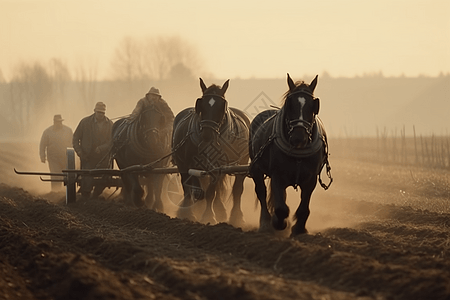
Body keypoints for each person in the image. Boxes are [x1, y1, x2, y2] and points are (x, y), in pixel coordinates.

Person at [73, 102, 113, 200]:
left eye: (103, 113)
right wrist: (80, 153)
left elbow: (112, 141)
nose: (101, 115)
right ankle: (86, 195)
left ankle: (96, 194)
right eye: (99, 112)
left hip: (103, 157)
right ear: (94, 111)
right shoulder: (84, 122)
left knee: (105, 178)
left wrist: (102, 148)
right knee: (87, 177)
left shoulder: (110, 124)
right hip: (87, 156)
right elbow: (75, 138)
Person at [39, 114, 73, 192]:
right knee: (55, 175)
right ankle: (55, 192)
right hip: (53, 158)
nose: (59, 123)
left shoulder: (68, 131)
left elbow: (73, 143)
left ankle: (66, 192)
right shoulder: (47, 132)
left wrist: (75, 156)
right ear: (54, 122)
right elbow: (42, 144)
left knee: (67, 175)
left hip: (66, 157)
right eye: (57, 122)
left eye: (60, 122)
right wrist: (42, 156)